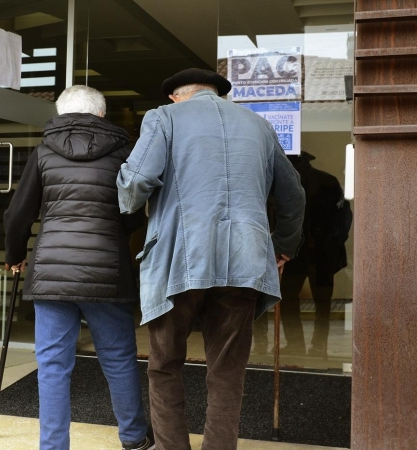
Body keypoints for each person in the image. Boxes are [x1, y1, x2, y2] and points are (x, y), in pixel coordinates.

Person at [116, 68, 305, 450]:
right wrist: (283, 246)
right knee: (227, 371)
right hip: (245, 261)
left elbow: (136, 182)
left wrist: (129, 204)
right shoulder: (258, 126)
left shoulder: (163, 118)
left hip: (178, 261)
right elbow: (293, 196)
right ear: (218, 93)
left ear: (174, 96)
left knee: (165, 364)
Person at [3, 85, 153, 450]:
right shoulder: (125, 151)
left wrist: (15, 255)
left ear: (60, 114)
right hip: (106, 270)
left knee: (53, 364)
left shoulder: (43, 152)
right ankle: (134, 437)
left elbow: (17, 214)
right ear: (101, 114)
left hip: (52, 271)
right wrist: (117, 231)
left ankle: (53, 447)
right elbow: (135, 210)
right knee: (118, 358)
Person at [281, 151, 352, 358]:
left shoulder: (319, 183)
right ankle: (312, 345)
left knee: (301, 300)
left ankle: (302, 345)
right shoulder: (325, 181)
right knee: (317, 303)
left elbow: (343, 217)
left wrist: (332, 243)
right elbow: (344, 218)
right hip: (308, 254)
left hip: (308, 253)